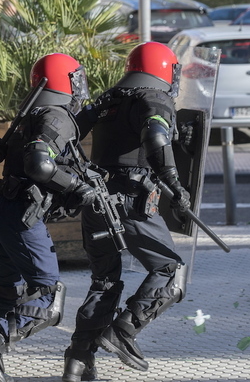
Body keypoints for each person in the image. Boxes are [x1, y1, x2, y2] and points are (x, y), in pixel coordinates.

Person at [62, 41, 192, 382]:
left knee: (104, 281)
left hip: (96, 199)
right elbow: (156, 137)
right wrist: (175, 184)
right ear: (166, 71)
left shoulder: (109, 100)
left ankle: (77, 362)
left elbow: (69, 133)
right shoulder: (154, 97)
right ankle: (123, 331)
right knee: (170, 270)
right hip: (131, 201)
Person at [0, 53, 96, 382]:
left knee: (9, 293)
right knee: (48, 297)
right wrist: (77, 187)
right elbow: (40, 164)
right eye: (75, 79)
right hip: (22, 217)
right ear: (66, 81)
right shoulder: (57, 116)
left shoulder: (32, 114)